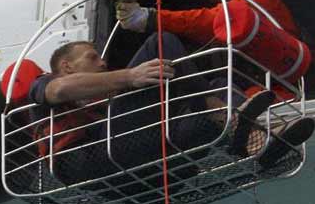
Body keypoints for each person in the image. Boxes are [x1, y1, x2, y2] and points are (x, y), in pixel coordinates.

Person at [115, 0, 315, 166]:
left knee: (215, 84)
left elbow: (208, 21)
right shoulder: (231, 16)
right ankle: (264, 136)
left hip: (277, 95)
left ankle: (261, 131)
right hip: (255, 97)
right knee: (219, 87)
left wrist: (151, 17)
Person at [28, 33, 280, 192]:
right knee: (160, 44)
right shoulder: (44, 84)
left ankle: (258, 138)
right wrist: (130, 76)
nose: (103, 63)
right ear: (67, 66)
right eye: (92, 58)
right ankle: (243, 127)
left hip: (148, 172)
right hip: (98, 159)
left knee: (217, 88)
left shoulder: (103, 104)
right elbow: (59, 90)